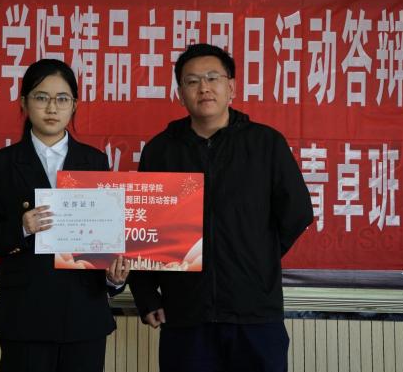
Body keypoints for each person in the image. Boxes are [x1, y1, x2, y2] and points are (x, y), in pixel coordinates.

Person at [129, 43, 313, 372]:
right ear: (180, 94)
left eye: (213, 78)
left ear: (232, 87)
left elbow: (297, 212)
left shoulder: (266, 144)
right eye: (192, 81)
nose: (204, 87)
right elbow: (143, 226)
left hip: (254, 314)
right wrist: (146, 294)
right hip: (186, 314)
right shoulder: (161, 151)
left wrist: (257, 255)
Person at [0, 58, 129, 372]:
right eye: (41, 97)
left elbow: (103, 236)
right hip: (25, 313)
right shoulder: (1, 163)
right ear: (24, 103)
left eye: (62, 99)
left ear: (74, 105)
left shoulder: (95, 161)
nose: (52, 108)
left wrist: (113, 279)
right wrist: (21, 228)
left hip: (84, 312)